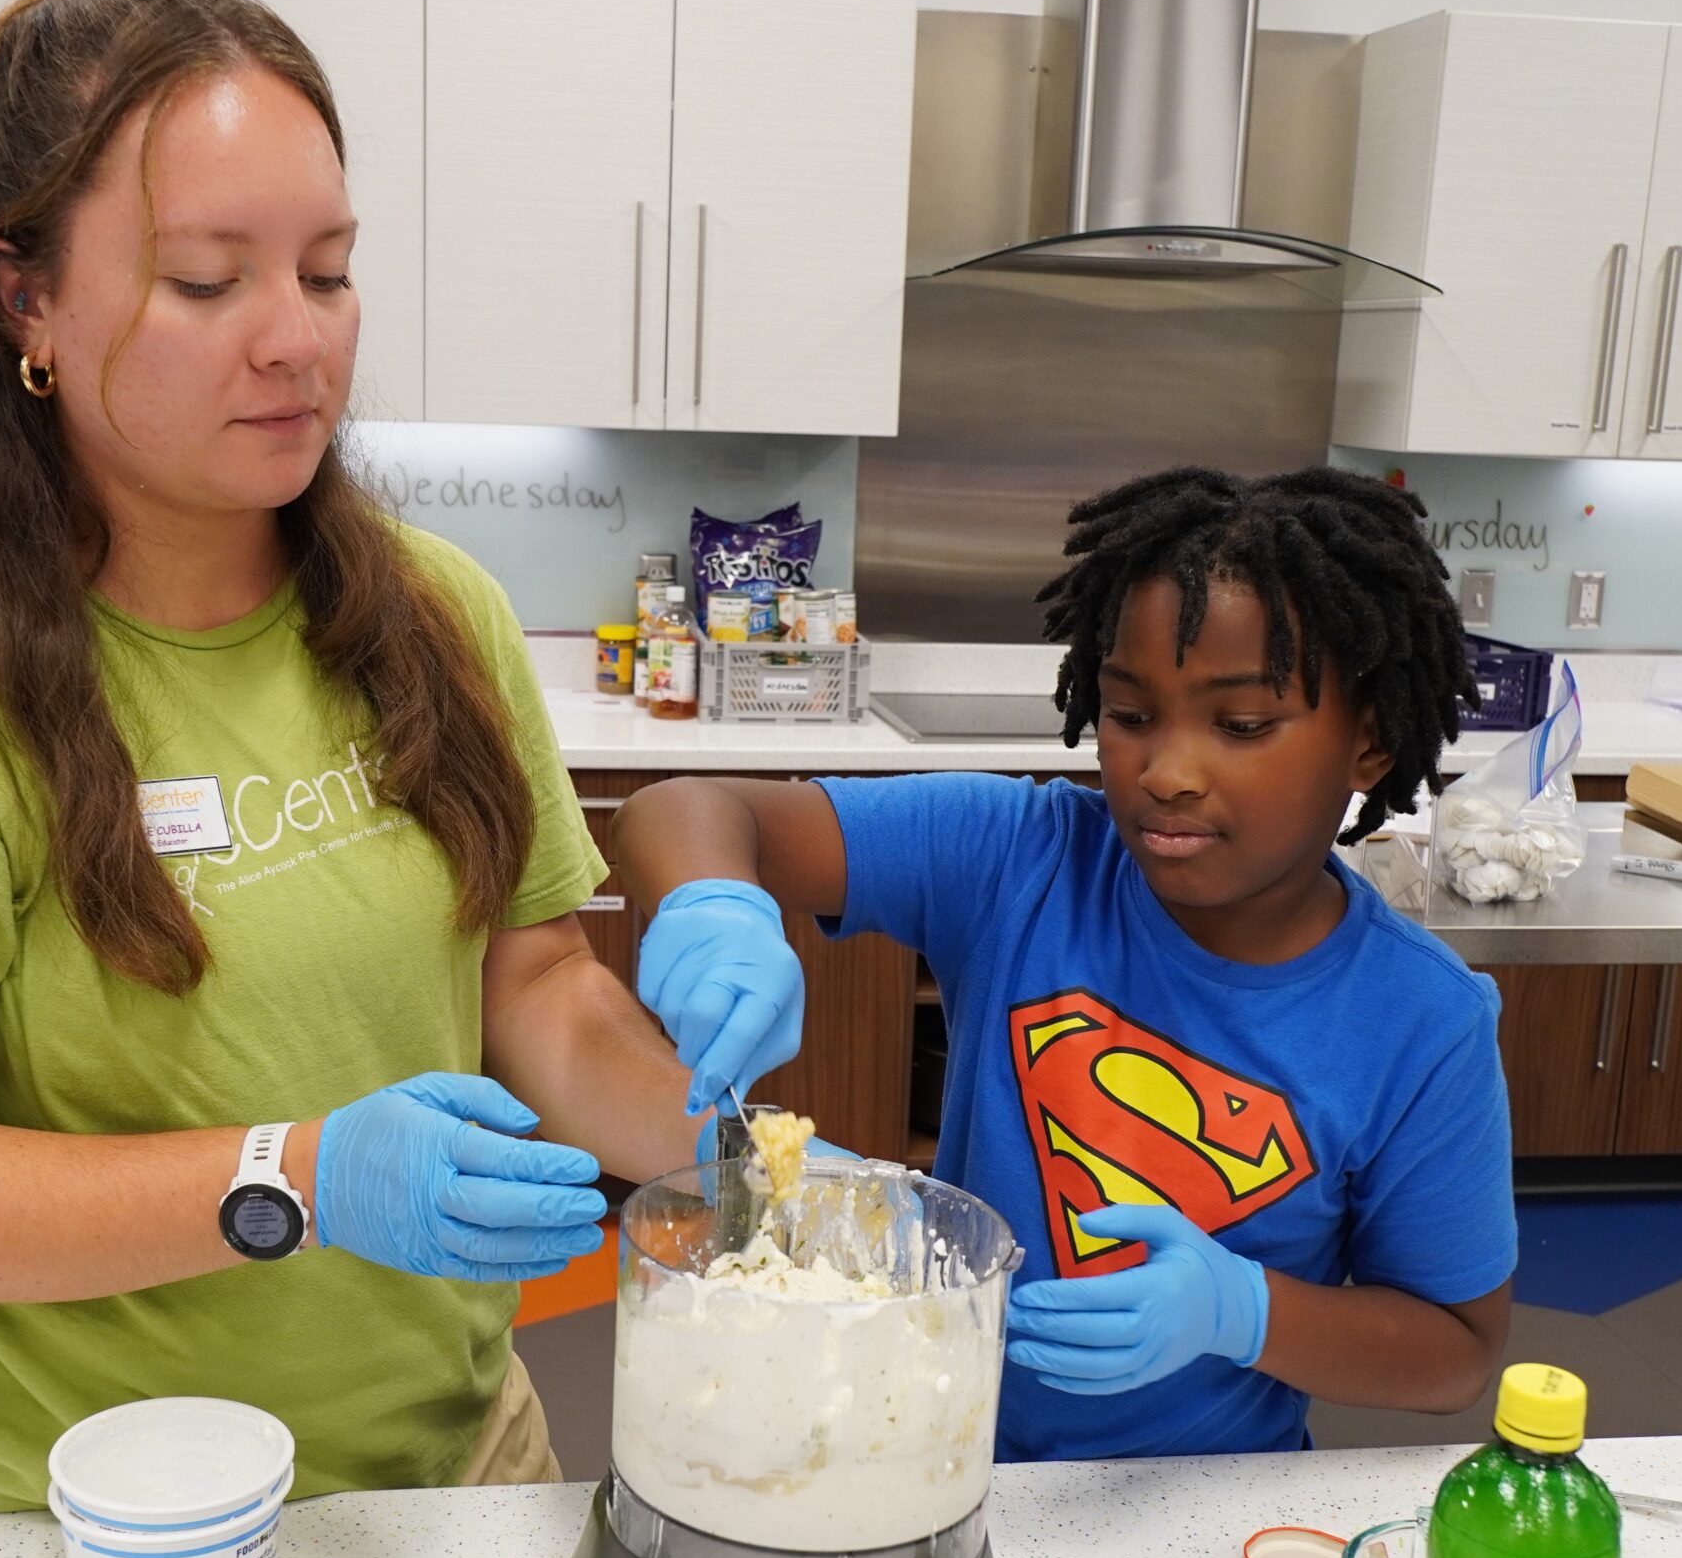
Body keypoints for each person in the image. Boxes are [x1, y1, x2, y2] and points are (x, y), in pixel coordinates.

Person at [0, 0, 705, 1511]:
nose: (297, 342)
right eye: (211, 281)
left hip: (459, 1473)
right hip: (85, 1531)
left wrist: (742, 1147)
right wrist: (286, 1180)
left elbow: (536, 984)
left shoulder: (437, 617)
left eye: (329, 271)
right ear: (23, 295)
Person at [614, 466, 1515, 1460]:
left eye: (1242, 724)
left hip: (1196, 1509)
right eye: (1131, 715)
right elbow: (682, 807)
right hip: (933, 1446)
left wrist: (1244, 1311)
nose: (1166, 772)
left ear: (1370, 742)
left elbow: (1456, 1352)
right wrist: (714, 906)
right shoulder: (1021, 856)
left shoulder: (1421, 1023)